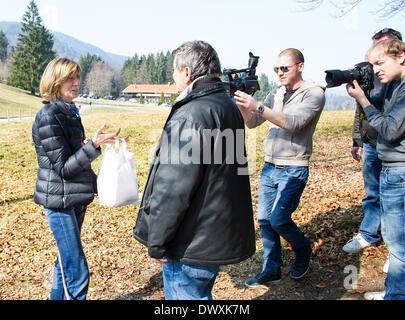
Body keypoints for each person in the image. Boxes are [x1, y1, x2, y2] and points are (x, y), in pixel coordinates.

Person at [133, 41, 256, 300]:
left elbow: (173, 188)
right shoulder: (226, 105)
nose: (173, 77)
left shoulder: (191, 113)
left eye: (175, 71)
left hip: (191, 242)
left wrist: (157, 242)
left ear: (187, 72)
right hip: (212, 234)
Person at [32, 57, 123, 300]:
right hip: (58, 203)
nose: (76, 82)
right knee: (76, 270)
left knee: (65, 263)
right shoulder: (49, 116)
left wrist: (98, 177)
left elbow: (71, 157)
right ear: (56, 81)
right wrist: (92, 145)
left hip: (73, 199)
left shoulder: (70, 112)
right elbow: (63, 168)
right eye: (70, 78)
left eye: (77, 77)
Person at [234, 48, 325, 286]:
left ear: (300, 66)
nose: (280, 73)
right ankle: (272, 268)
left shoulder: (313, 94)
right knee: (265, 220)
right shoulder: (276, 93)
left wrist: (258, 106)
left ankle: (303, 249)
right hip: (270, 166)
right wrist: (244, 101)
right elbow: (253, 123)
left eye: (285, 68)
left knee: (279, 219)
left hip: (294, 167)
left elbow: (293, 124)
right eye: (277, 69)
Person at [346, 39, 405, 300]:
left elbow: (391, 130)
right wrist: (362, 83)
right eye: (372, 65)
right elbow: (378, 107)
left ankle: (395, 295)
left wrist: (363, 101)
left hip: (399, 172)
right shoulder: (394, 84)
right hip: (394, 170)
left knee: (397, 245)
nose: (376, 69)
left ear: (400, 56)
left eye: (379, 63)